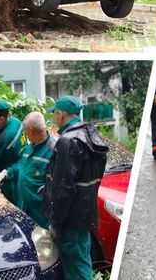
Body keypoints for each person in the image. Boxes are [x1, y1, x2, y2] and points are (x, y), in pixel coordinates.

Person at [43, 96, 109, 280]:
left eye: (55, 113)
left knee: (76, 268)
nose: (54, 118)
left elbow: (64, 188)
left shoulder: (68, 140)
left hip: (71, 220)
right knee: (81, 261)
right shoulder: (90, 133)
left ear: (61, 114)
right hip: (85, 215)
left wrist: (56, 222)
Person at [0, 111, 56, 229]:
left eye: (26, 131)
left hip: (40, 215)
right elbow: (21, 166)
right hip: (24, 207)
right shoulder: (30, 146)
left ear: (32, 130)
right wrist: (7, 172)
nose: (25, 134)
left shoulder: (53, 151)